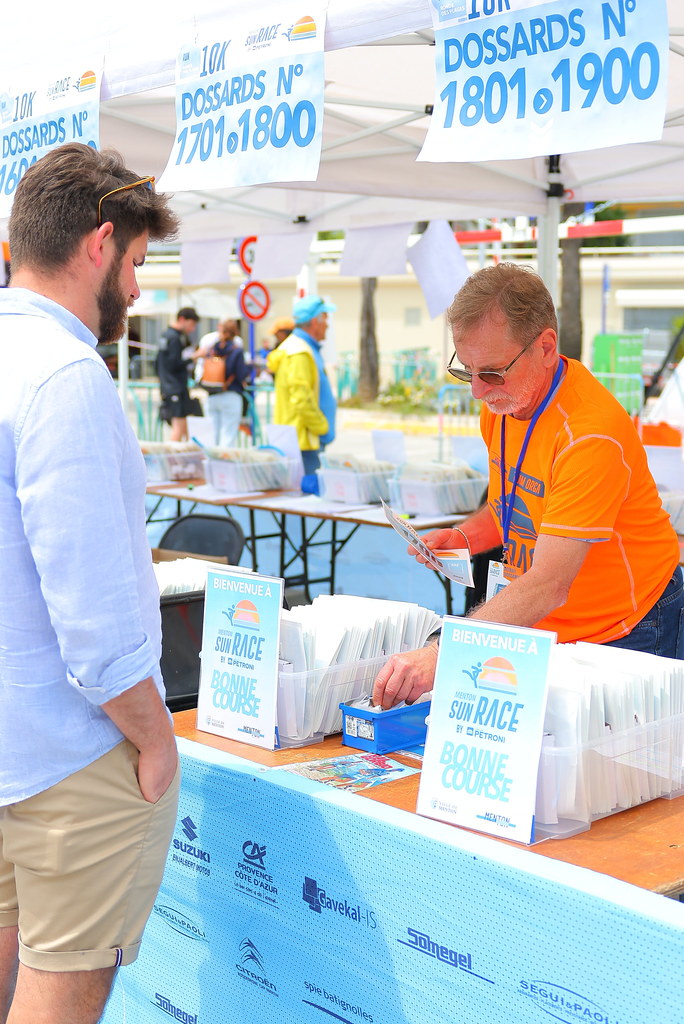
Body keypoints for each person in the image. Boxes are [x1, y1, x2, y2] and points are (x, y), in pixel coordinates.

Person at [0, 143, 181, 1024]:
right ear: (99, 244)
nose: (136, 289)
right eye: (138, 263)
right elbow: (95, 616)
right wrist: (154, 740)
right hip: (71, 761)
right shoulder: (66, 375)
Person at [373, 262, 684, 709]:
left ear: (546, 347)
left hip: (627, 627)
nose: (478, 391)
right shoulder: (504, 404)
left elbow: (549, 584)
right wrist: (465, 537)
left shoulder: (589, 433)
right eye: (467, 370)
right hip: (548, 623)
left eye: (492, 372)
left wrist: (442, 653)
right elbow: (513, 505)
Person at [267, 296, 337, 474]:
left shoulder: (301, 348)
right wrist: (322, 427)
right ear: (315, 322)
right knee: (307, 489)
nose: (327, 325)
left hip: (303, 440)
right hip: (304, 442)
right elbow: (301, 399)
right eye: (325, 319)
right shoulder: (299, 352)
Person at [192, 318, 250, 447]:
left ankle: (212, 459)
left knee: (213, 436)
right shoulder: (236, 351)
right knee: (228, 435)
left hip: (212, 394)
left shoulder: (212, 349)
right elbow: (241, 374)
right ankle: (224, 460)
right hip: (231, 394)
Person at [156, 306, 200, 441]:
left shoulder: (166, 335)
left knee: (184, 425)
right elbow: (173, 364)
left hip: (168, 386)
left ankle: (184, 452)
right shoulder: (175, 338)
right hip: (175, 387)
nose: (192, 329)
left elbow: (158, 363)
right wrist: (193, 357)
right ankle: (174, 454)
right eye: (191, 325)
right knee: (179, 426)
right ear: (182, 319)